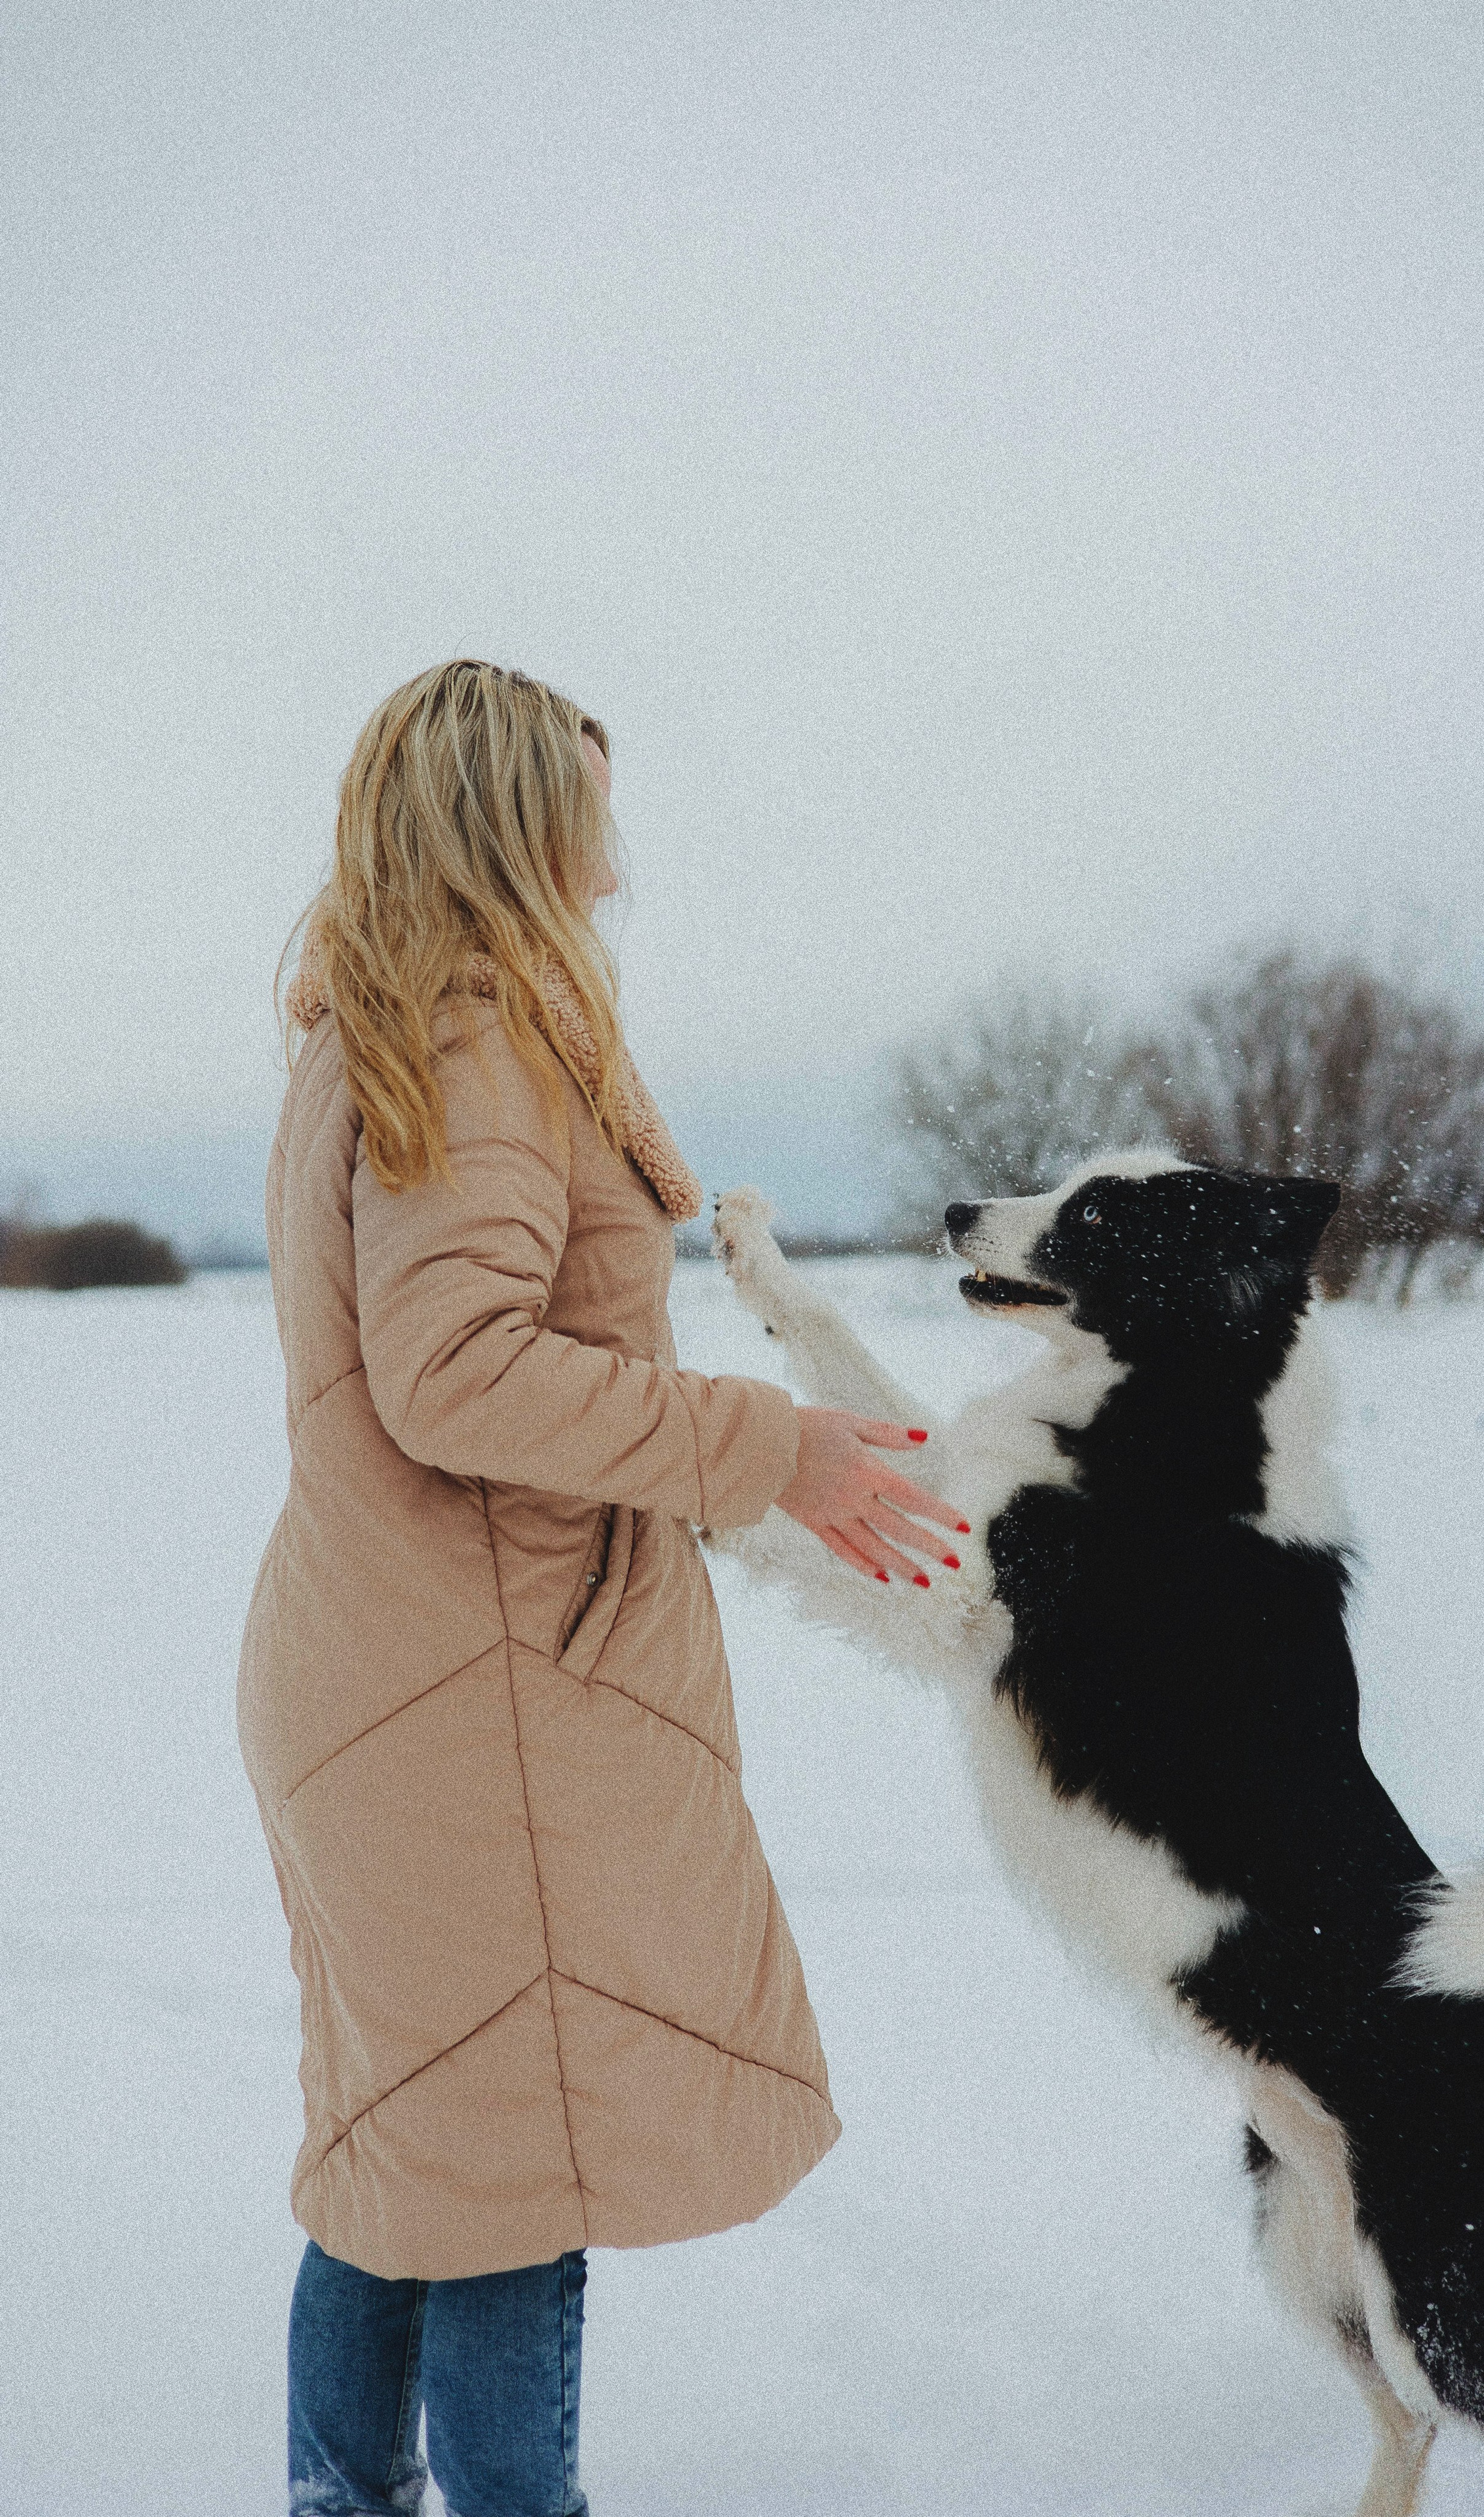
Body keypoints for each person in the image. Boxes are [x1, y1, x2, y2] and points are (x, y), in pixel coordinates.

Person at [239, 659, 966, 2517]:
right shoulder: (478, 1028)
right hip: (471, 1683)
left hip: (407, 1658)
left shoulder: (382, 1021)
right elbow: (453, 1371)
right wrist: (771, 1446)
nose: (614, 862)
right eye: (586, 812)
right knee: (508, 2159)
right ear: (508, 819)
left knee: (416, 2135)